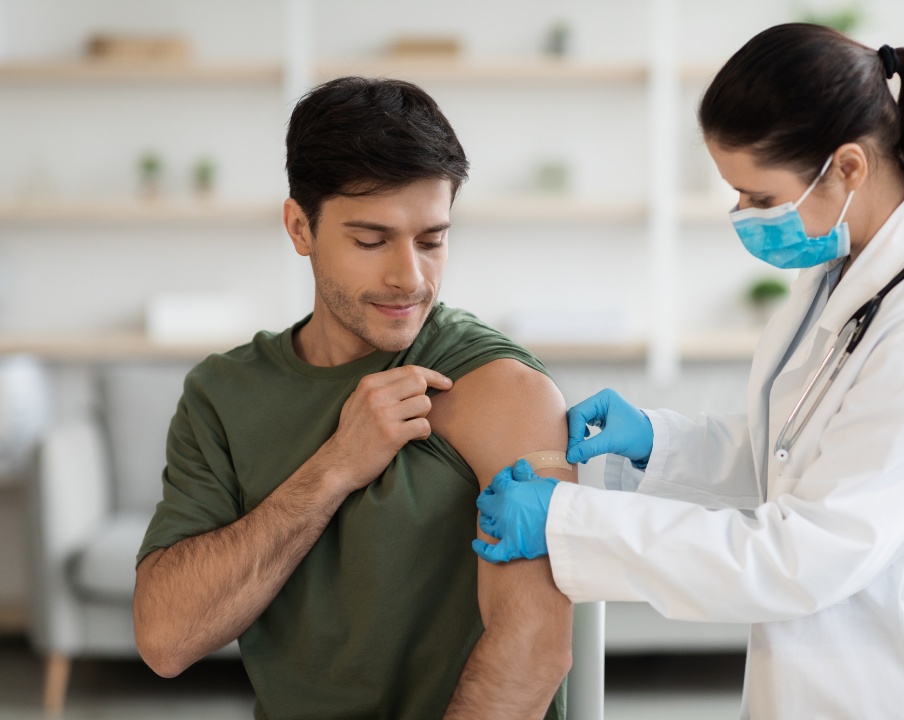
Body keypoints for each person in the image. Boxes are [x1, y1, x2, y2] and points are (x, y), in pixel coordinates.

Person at [473, 23, 904, 720]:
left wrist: (572, 521)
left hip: (902, 690)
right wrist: (658, 444)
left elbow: (800, 555)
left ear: (847, 168)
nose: (743, 216)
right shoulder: (843, 270)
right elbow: (797, 456)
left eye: (759, 196)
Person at [133, 76, 574, 720]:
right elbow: (165, 640)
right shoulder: (222, 395)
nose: (409, 277)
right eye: (371, 241)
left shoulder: (501, 386)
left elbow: (534, 648)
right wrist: (335, 466)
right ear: (299, 228)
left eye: (432, 239)